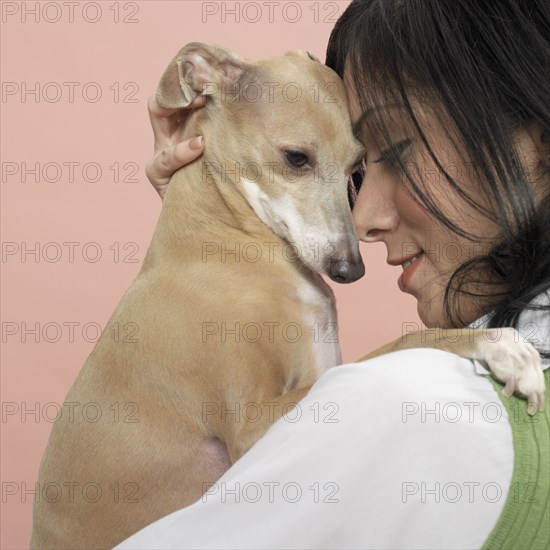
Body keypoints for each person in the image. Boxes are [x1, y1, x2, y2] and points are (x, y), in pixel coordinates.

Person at [119, 0, 549, 548]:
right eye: (362, 172)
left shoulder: (411, 405)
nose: (362, 219)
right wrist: (216, 232)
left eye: (394, 150)